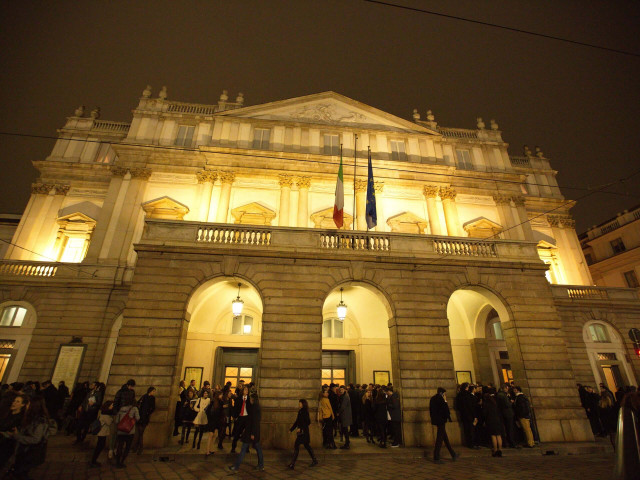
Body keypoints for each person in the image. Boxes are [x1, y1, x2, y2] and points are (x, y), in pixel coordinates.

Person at [9, 395, 49, 479]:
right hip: (24, 451)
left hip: (29, 452)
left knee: (21, 474)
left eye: (28, 404)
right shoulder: (30, 417)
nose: (26, 406)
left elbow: (35, 439)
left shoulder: (39, 421)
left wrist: (17, 436)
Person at [228, 393, 264, 474]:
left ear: (253, 399)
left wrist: (252, 433)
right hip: (253, 432)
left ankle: (236, 467)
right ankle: (261, 465)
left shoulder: (255, 408)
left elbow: (254, 422)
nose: (249, 400)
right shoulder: (256, 407)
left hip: (251, 432)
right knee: (257, 449)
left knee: (244, 449)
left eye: (250, 399)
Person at [429, 387, 458, 464]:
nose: (445, 395)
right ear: (442, 393)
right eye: (444, 394)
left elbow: (431, 410)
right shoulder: (441, 399)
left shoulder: (432, 398)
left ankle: (453, 454)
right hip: (441, 420)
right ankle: (436, 457)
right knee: (439, 439)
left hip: (436, 420)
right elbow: (445, 410)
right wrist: (445, 401)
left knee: (445, 438)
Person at [287, 399, 318, 469]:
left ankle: (292, 464)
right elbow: (297, 422)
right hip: (302, 433)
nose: (299, 404)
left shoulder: (304, 412)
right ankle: (314, 460)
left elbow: (308, 422)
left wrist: (300, 428)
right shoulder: (300, 411)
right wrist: (291, 430)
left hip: (304, 433)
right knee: (306, 446)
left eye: (300, 403)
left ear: (303, 404)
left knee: (297, 445)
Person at [0, 393, 27, 469]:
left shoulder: (21, 419)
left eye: (17, 401)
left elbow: (13, 434)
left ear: (23, 405)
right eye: (14, 401)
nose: (14, 403)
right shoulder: (6, 413)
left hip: (6, 444)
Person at [114, 389, 140, 468]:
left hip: (121, 430)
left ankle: (117, 461)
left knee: (120, 446)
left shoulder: (122, 408)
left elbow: (116, 421)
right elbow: (138, 418)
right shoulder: (134, 409)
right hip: (129, 431)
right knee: (127, 447)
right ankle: (122, 461)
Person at [90, 400, 114, 467]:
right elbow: (109, 422)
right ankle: (93, 461)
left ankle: (94, 460)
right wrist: (112, 418)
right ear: (108, 406)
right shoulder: (105, 414)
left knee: (99, 446)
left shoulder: (103, 412)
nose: (113, 406)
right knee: (99, 447)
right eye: (112, 405)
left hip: (102, 432)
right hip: (102, 433)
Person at [132, 386, 156, 455]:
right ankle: (138, 447)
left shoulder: (152, 398)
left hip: (145, 417)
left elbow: (153, 407)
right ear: (150, 391)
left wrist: (148, 412)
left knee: (140, 432)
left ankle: (138, 447)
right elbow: (138, 403)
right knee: (139, 433)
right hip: (140, 417)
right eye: (153, 391)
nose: (154, 393)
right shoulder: (144, 396)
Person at [482, 389, 504, 457]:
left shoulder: (487, 402)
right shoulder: (497, 401)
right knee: (499, 435)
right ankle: (500, 450)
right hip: (498, 419)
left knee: (493, 436)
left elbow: (484, 413)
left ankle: (495, 450)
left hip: (490, 420)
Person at [231, 386, 249, 453]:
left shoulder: (249, 399)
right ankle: (233, 447)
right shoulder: (239, 399)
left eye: (247, 390)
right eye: (245, 390)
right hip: (240, 417)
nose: (246, 391)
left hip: (246, 417)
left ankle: (246, 448)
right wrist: (235, 416)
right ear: (242, 391)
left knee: (247, 434)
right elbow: (235, 408)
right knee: (237, 433)